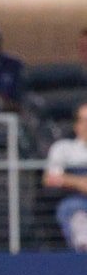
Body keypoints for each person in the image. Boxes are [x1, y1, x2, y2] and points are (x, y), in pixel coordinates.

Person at [42, 101, 87, 251]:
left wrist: (68, 179)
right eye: (83, 121)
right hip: (76, 204)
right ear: (76, 125)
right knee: (73, 210)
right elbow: (50, 178)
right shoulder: (63, 148)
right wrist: (81, 183)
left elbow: (62, 178)